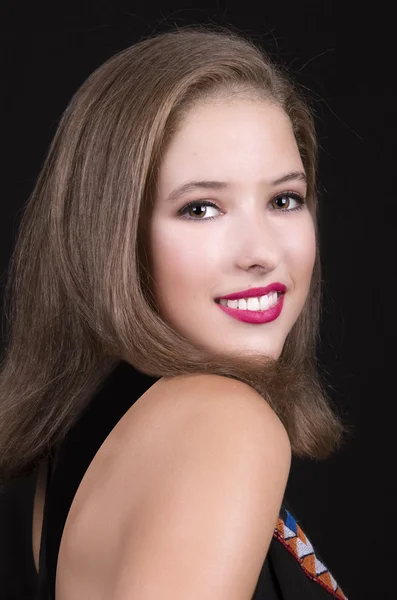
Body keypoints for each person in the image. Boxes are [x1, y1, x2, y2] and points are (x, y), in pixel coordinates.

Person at [0, 24, 351, 599]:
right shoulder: (221, 422)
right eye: (201, 208)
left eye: (284, 199)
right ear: (113, 235)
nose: (261, 253)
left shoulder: (82, 440)